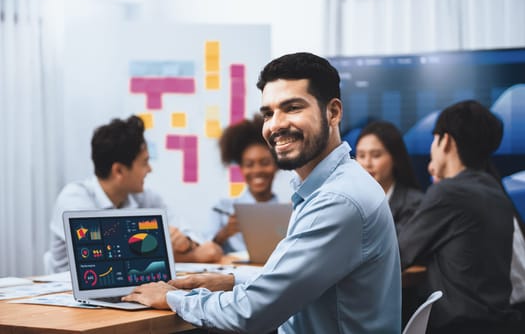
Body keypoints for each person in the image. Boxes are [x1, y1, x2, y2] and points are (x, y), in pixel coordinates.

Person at [123, 52, 402, 333]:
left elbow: (251, 313)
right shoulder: (334, 185)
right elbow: (290, 278)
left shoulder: (338, 200)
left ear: (333, 112)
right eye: (268, 113)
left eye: (292, 108)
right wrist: (231, 280)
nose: (276, 124)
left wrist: (172, 298)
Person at [398, 100, 520, 333]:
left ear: (446, 141)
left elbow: (399, 252)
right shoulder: (495, 191)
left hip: (458, 326)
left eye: (434, 139)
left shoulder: (450, 193)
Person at [45, 115, 223, 274]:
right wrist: (191, 256)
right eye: (144, 162)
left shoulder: (147, 198)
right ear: (119, 171)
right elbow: (114, 261)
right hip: (69, 299)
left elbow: (207, 248)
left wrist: (187, 244)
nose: (150, 169)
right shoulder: (74, 199)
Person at [202, 114, 279, 253]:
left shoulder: (292, 212)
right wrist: (224, 233)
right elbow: (203, 250)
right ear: (241, 169)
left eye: (265, 163)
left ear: (277, 165)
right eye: (249, 164)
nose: (257, 170)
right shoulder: (222, 209)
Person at [355, 120, 423, 235]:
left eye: (376, 155)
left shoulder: (415, 204)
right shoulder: (350, 201)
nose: (367, 163)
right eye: (361, 156)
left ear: (395, 158)